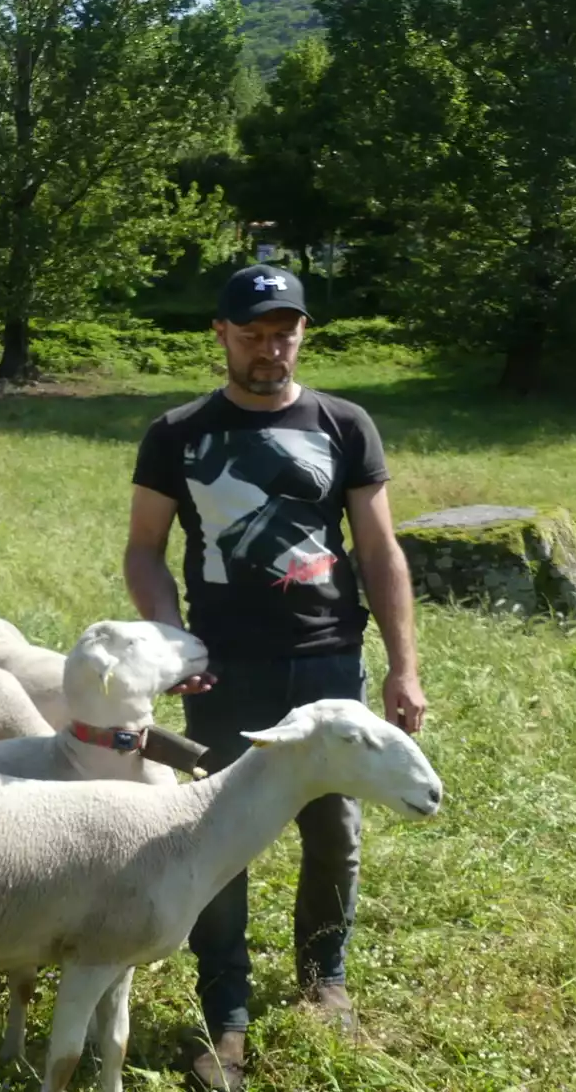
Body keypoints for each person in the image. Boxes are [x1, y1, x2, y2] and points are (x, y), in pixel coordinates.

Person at [122, 262, 427, 1091]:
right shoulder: (177, 432)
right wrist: (173, 642)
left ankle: (324, 982)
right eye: (252, 333)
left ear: (302, 332)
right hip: (218, 671)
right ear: (221, 335)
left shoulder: (344, 423)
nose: (270, 348)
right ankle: (224, 1015)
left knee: (332, 831)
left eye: (284, 331)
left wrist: (403, 667)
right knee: (217, 841)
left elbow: (377, 550)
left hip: (327, 657)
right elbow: (145, 548)